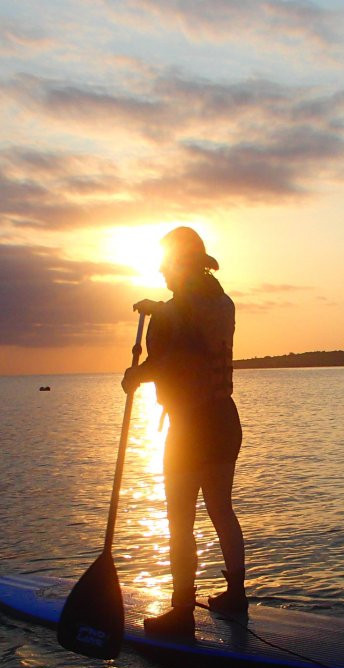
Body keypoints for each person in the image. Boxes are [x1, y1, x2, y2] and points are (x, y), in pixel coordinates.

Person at [121, 226, 246, 640]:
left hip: (191, 426)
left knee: (179, 521)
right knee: (221, 510)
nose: (161, 270)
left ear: (182, 264)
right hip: (224, 419)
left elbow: (173, 359)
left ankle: (180, 613)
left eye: (166, 263)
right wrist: (160, 307)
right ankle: (235, 595)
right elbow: (191, 314)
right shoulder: (223, 302)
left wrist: (136, 375)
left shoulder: (175, 312)